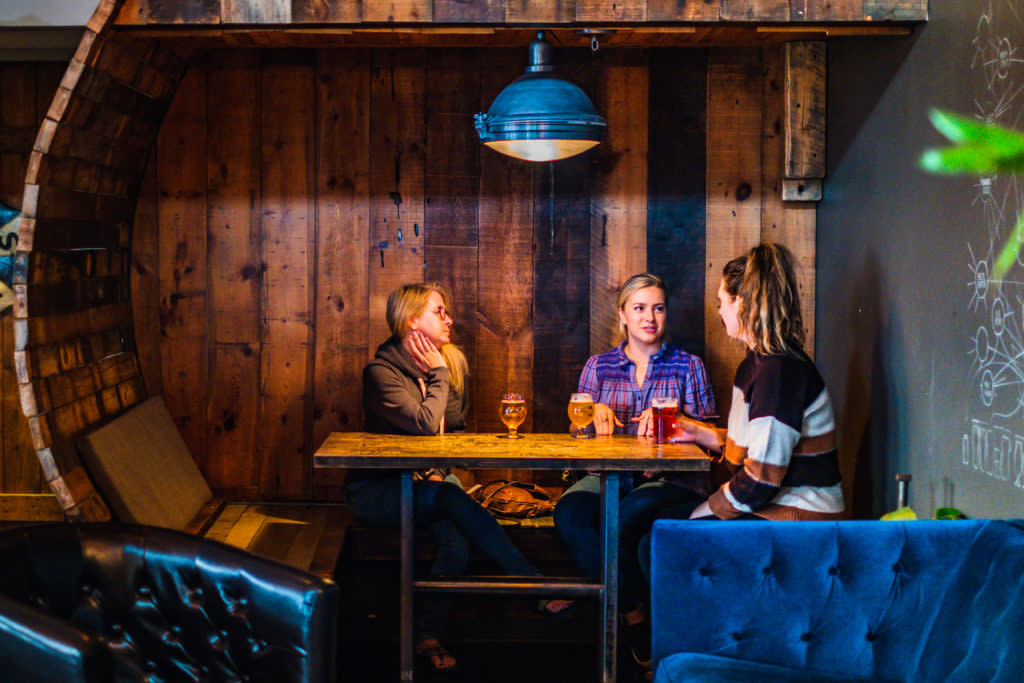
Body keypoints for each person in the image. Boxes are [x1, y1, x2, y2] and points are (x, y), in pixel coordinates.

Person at [344, 282, 545, 675]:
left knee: (455, 538)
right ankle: (530, 580)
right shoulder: (380, 373)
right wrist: (437, 373)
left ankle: (428, 635)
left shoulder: (449, 362)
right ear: (410, 321)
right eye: (439, 311)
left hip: (427, 486)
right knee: (452, 500)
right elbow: (422, 425)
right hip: (377, 491)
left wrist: (442, 370)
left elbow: (452, 426)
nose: (449, 319)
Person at [551, 273, 717, 669]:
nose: (650, 318)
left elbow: (713, 433)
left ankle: (596, 585)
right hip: (607, 476)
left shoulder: (687, 365)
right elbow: (576, 429)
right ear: (622, 314)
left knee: (624, 519)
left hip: (667, 480)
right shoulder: (600, 366)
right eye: (639, 308)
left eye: (658, 308)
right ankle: (632, 610)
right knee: (569, 513)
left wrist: (675, 421)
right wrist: (590, 416)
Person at [674, 242, 845, 520]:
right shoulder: (756, 366)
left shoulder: (779, 373)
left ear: (741, 302)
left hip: (796, 517)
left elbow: (760, 481)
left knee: (654, 538)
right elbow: (755, 449)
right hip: (769, 505)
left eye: (722, 302)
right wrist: (696, 432)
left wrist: (703, 511)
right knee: (645, 517)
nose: (719, 312)